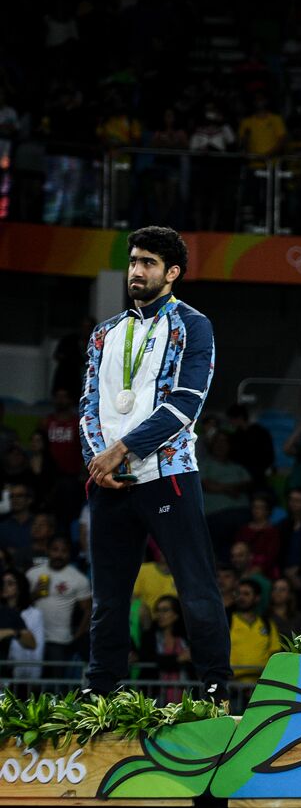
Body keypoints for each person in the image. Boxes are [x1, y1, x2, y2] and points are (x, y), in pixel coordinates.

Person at [78, 226, 231, 700]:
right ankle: (99, 690)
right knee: (109, 598)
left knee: (196, 586)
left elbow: (188, 401)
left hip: (168, 475)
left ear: (172, 273)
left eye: (147, 263)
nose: (136, 271)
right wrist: (98, 463)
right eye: (133, 261)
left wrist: (121, 451)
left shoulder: (193, 326)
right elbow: (88, 405)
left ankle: (214, 688)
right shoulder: (104, 334)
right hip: (111, 484)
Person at [27, 535, 90, 673]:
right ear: (47, 550)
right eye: (55, 550)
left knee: (57, 686)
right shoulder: (32, 574)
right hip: (33, 638)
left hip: (60, 640)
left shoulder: (78, 579)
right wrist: (34, 594)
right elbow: (20, 605)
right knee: (30, 684)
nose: (59, 555)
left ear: (69, 553)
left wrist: (78, 635)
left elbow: (88, 610)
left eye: (64, 551)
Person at [228, 579, 280, 682]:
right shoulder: (227, 621)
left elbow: (275, 654)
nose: (241, 597)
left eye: (246, 594)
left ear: (257, 598)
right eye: (238, 593)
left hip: (260, 687)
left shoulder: (267, 624)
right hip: (233, 686)